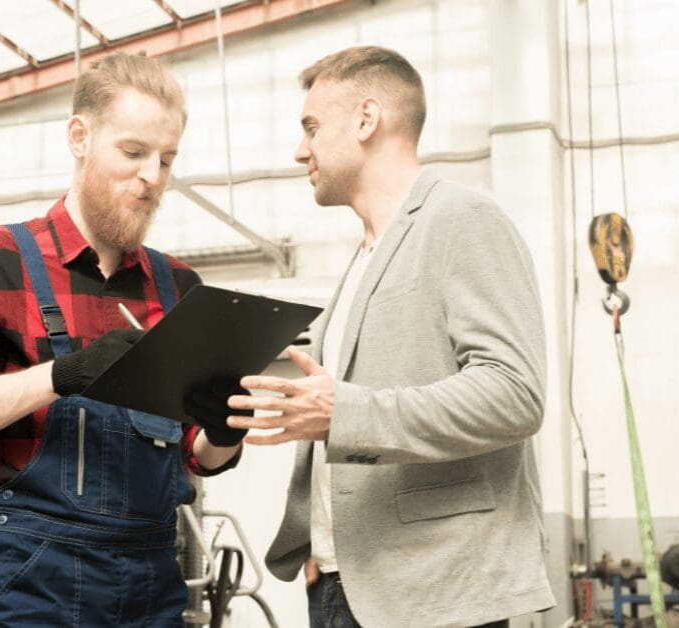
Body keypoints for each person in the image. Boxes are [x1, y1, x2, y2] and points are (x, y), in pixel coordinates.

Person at [0, 52, 246, 627]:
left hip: (153, 577)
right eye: (134, 153)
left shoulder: (180, 288)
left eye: (167, 159)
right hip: (37, 576)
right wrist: (59, 377)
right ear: (79, 137)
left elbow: (196, 453)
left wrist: (224, 432)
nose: (153, 177)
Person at [225, 46, 556, 627]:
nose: (300, 149)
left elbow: (515, 394)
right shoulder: (363, 259)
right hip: (346, 586)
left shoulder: (462, 220)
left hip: (433, 592)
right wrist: (319, 544)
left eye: (311, 126)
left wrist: (345, 412)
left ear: (366, 119)